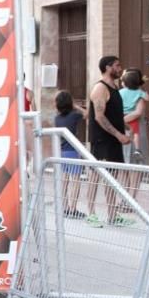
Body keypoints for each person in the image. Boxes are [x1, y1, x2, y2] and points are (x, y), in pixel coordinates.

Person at [85, 55, 133, 227]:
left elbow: (114, 114)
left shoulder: (114, 87)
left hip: (113, 140)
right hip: (102, 140)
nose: (120, 69)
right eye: (117, 66)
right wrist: (118, 135)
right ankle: (91, 214)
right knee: (96, 176)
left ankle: (112, 214)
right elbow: (99, 117)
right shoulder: (100, 88)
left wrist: (124, 126)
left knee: (112, 177)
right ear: (107, 67)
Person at [54, 90, 86, 219]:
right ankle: (73, 208)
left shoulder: (56, 118)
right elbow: (87, 114)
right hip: (72, 151)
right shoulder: (74, 115)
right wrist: (75, 106)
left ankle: (65, 207)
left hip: (61, 151)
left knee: (64, 180)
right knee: (76, 180)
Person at [119, 68, 148, 163]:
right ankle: (137, 150)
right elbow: (148, 98)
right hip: (131, 119)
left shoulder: (120, 92)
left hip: (124, 117)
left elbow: (138, 112)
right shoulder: (139, 93)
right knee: (135, 133)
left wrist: (121, 119)